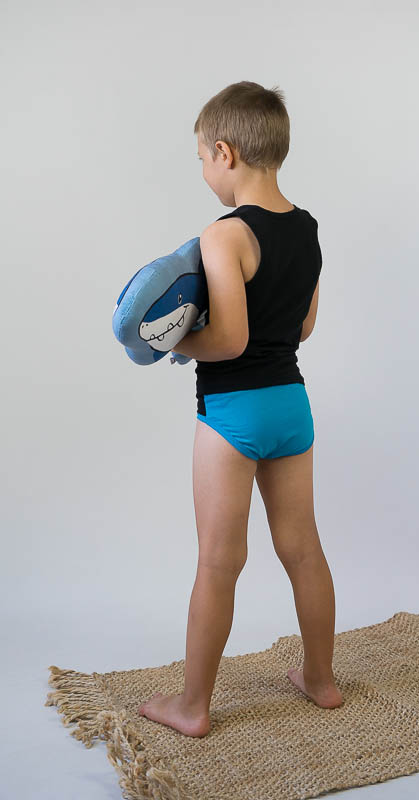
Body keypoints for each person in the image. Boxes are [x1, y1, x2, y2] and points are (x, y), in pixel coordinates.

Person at [138, 81, 343, 737]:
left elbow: (227, 341)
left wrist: (172, 343)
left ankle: (192, 706)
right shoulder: (307, 228)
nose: (204, 170)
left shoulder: (223, 235)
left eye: (202, 158)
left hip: (232, 413)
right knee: (303, 550)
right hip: (291, 406)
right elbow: (303, 326)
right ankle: (320, 680)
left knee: (219, 563)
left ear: (224, 152)